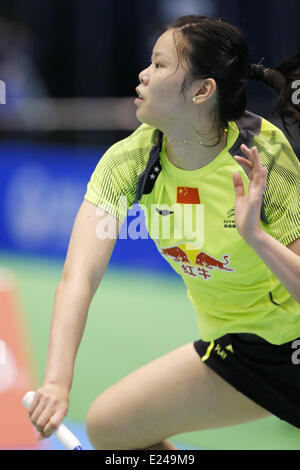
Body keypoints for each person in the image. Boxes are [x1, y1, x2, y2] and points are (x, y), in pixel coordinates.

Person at [28, 15, 300, 450]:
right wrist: (57, 383)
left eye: (159, 65)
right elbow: (79, 276)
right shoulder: (128, 162)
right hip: (237, 352)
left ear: (201, 91)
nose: (143, 74)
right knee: (111, 428)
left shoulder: (261, 154)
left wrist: (257, 238)